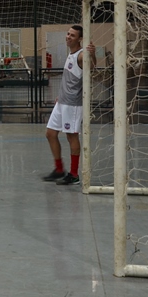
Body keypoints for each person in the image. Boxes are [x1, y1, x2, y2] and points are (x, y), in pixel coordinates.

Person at [42, 25, 96, 185]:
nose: (68, 37)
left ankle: (74, 174)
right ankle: (59, 169)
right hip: (62, 102)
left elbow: (91, 68)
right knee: (50, 134)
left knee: (71, 136)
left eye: (72, 35)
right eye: (68, 34)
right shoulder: (71, 53)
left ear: (79, 39)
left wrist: (92, 56)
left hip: (72, 104)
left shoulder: (81, 55)